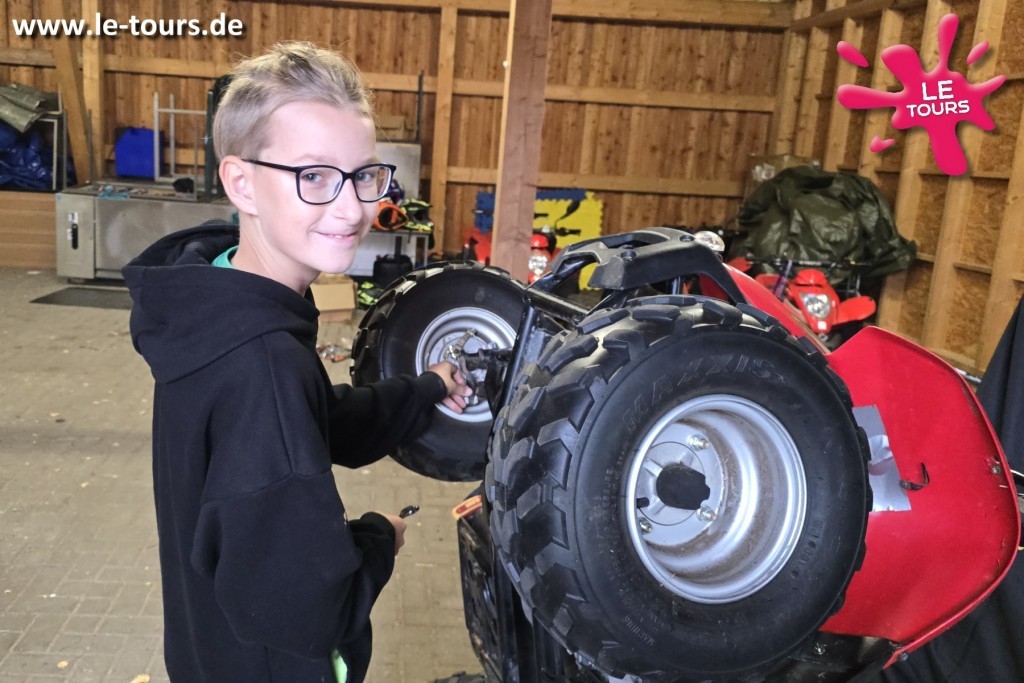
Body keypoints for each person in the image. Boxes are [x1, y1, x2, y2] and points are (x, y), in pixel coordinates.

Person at [123, 42, 470, 683]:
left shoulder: (219, 301)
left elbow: (313, 421)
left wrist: (423, 390)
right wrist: (377, 539)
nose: (352, 208)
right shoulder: (263, 365)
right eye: (313, 176)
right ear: (241, 183)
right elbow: (310, 612)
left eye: (363, 174)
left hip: (208, 651)